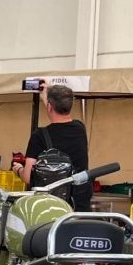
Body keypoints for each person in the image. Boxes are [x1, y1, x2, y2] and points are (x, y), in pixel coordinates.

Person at [15, 83, 91, 211]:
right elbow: (57, 110)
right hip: (79, 207)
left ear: (49, 106)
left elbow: (28, 177)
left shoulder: (39, 136)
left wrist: (18, 170)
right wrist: (46, 95)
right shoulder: (80, 128)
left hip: (52, 209)